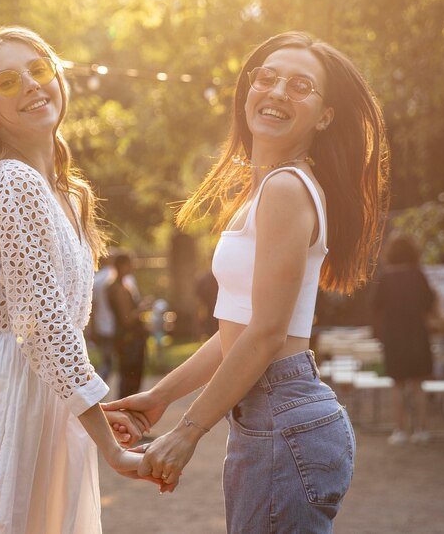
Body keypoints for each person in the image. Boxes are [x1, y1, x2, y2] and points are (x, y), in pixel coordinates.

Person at [104, 31, 390, 531]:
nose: (278, 91)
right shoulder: (267, 191)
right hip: (273, 417)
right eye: (268, 77)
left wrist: (188, 431)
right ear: (248, 89)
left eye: (301, 85)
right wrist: (158, 400)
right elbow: (236, 327)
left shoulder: (285, 188)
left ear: (325, 116)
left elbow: (265, 335)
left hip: (283, 417)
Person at [0, 27, 150, 534]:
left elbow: (56, 330)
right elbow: (44, 326)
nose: (33, 86)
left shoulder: (67, 192)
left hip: (46, 401)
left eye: (39, 71)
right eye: (9, 82)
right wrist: (109, 446)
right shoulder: (12, 183)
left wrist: (91, 409)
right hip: (9, 405)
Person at [372, 234, 435, 444]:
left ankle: (399, 430)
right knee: (418, 385)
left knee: (397, 385)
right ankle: (422, 430)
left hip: (393, 337)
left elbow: (375, 308)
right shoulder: (419, 275)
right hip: (418, 335)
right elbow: (429, 304)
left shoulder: (386, 277)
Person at [107, 253, 148, 398]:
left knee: (127, 377)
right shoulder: (120, 289)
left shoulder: (115, 286)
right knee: (130, 378)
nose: (132, 267)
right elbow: (127, 319)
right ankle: (125, 409)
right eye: (130, 264)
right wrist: (142, 308)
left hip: (123, 338)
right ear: (122, 266)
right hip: (130, 339)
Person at [91, 255, 118, 382]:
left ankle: (102, 385)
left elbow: (92, 306)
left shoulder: (96, 279)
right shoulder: (125, 278)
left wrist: (93, 326)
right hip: (118, 326)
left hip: (102, 324)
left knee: (106, 359)